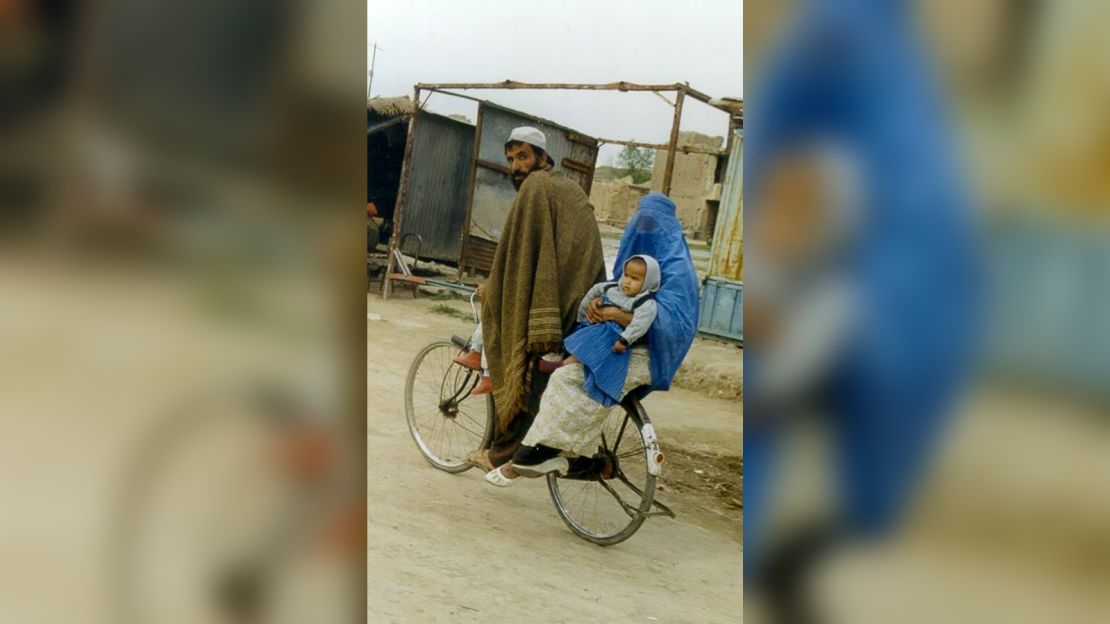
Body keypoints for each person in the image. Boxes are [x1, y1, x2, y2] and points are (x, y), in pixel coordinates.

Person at [484, 193, 699, 485]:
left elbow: (671, 324)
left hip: (651, 354)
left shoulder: (679, 270)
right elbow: (614, 290)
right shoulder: (634, 257)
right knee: (563, 377)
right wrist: (600, 307)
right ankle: (545, 453)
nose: (645, 230)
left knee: (587, 387)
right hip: (614, 344)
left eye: (653, 224)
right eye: (641, 222)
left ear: (669, 228)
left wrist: (614, 315)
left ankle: (535, 456)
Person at [465, 126, 606, 471]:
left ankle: (501, 454)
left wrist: (496, 289)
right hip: (587, 301)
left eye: (523, 156)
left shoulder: (536, 186)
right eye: (511, 159)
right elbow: (535, 254)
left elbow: (520, 259)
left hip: (564, 306)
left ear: (543, 157)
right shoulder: (563, 186)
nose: (515, 165)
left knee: (518, 356)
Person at [562, 254, 662, 407]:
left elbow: (639, 324)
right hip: (593, 327)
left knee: (594, 349)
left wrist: (624, 340)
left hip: (612, 337)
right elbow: (593, 292)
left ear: (648, 282)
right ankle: (564, 366)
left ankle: (563, 364)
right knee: (583, 338)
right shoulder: (612, 288)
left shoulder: (645, 303)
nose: (627, 281)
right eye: (626, 275)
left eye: (635, 279)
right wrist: (582, 316)